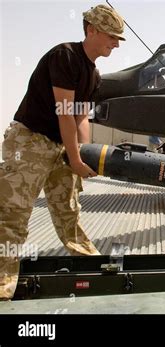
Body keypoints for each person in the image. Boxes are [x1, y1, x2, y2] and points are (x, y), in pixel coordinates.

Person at [0, 4, 126, 300]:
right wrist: (77, 158)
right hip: (29, 141)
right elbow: (65, 112)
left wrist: (83, 154)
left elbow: (81, 119)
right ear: (91, 30)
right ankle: (3, 280)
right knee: (13, 212)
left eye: (119, 39)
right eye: (111, 36)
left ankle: (88, 262)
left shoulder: (94, 75)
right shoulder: (65, 56)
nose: (116, 43)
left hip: (60, 144)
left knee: (68, 209)